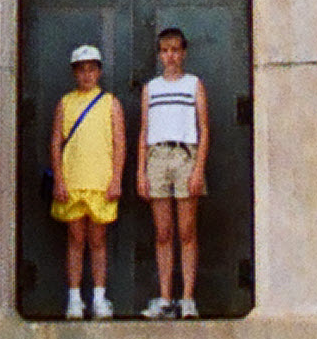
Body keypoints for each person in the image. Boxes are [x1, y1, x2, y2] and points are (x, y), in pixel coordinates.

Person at [137, 25, 209, 319]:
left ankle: (187, 297)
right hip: (157, 156)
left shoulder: (193, 85)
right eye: (165, 51)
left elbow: (204, 129)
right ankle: (166, 297)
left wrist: (198, 169)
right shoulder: (151, 88)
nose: (170, 56)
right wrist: (141, 172)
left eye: (175, 50)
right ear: (159, 55)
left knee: (187, 231)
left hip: (185, 155)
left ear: (184, 53)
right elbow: (144, 130)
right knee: (163, 232)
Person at [48, 44, 125, 320]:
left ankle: (100, 298)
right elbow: (56, 142)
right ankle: (74, 298)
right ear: (74, 73)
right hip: (73, 179)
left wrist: (116, 178)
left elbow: (119, 143)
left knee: (98, 240)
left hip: (100, 181)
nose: (87, 75)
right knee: (75, 239)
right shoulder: (66, 103)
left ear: (99, 72)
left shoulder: (110, 103)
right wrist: (59, 179)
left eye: (92, 69)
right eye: (82, 70)